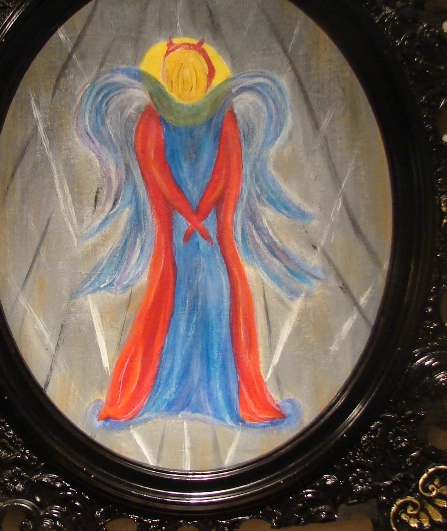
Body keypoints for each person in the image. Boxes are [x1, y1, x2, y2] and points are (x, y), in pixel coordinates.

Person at [75, 37, 321, 425]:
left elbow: (227, 171)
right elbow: (156, 172)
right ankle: (166, 387)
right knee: (172, 297)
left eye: (193, 74)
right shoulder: (151, 120)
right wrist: (190, 216)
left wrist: (202, 213)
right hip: (179, 234)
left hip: (210, 233)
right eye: (179, 74)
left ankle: (220, 391)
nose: (186, 81)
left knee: (219, 295)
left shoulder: (224, 118)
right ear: (167, 78)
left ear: (207, 77)